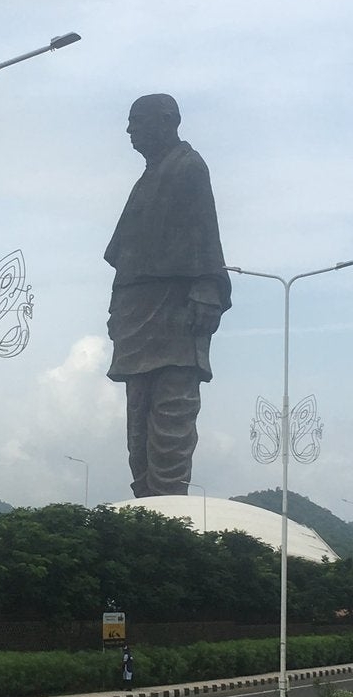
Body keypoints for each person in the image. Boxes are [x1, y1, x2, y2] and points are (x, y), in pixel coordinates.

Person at [105, 93, 231, 498]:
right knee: (138, 422)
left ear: (166, 121)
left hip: (174, 309)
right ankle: (147, 510)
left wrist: (207, 288)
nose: (130, 129)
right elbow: (125, 253)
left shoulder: (187, 167)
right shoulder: (150, 175)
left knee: (171, 416)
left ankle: (169, 511)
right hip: (138, 310)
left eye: (137, 120)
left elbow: (206, 235)